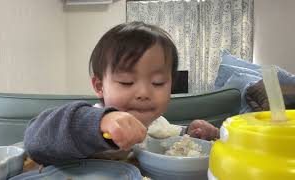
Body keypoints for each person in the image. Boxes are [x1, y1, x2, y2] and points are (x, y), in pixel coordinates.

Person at [24, 21, 219, 165]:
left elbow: (170, 142)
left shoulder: (158, 124)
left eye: (158, 83)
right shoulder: (87, 124)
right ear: (100, 86)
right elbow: (34, 140)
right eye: (127, 82)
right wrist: (99, 123)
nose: (144, 92)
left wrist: (192, 135)